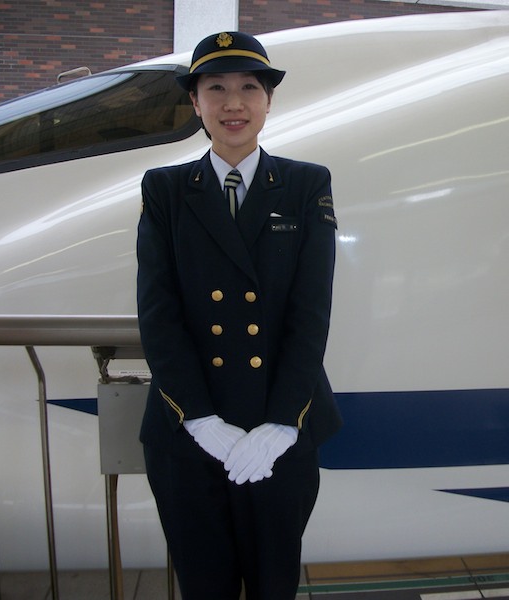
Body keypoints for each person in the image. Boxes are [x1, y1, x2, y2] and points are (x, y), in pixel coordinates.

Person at [136, 31, 342, 599]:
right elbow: (158, 313)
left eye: (250, 87)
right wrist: (200, 420)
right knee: (205, 587)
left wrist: (280, 425)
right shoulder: (167, 190)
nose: (234, 103)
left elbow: (311, 313)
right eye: (216, 88)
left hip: (279, 425)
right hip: (189, 433)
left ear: (268, 101)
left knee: (275, 584)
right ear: (195, 103)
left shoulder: (305, 184)